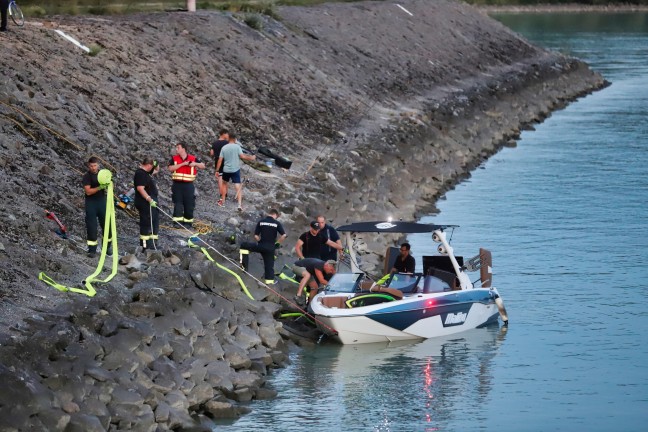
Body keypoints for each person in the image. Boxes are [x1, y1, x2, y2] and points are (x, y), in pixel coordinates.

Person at [240, 209, 287, 285]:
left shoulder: (261, 222)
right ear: (275, 215)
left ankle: (243, 268)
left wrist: (260, 242)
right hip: (270, 248)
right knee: (269, 266)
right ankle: (269, 283)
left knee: (244, 246)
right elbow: (284, 235)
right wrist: (277, 244)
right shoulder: (277, 223)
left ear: (269, 214)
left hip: (261, 245)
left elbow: (256, 236)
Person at [168, 143, 205, 227]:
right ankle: (177, 222)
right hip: (177, 185)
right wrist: (182, 164)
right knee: (178, 203)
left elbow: (203, 166)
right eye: (176, 148)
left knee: (189, 203)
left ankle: (188, 223)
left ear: (183, 149)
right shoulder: (174, 158)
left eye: (178, 148)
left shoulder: (193, 158)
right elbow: (170, 168)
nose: (176, 149)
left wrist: (195, 164)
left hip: (188, 185)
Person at [216, 133, 255, 211]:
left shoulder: (224, 147)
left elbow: (220, 160)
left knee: (224, 184)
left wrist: (217, 170)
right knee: (237, 186)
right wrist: (251, 158)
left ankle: (223, 201)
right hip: (235, 170)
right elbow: (242, 156)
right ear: (234, 139)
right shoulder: (237, 147)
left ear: (229, 139)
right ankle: (239, 205)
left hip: (226, 169)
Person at [82, 157, 108, 258]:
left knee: (106, 225)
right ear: (89, 166)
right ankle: (92, 250)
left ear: (98, 165)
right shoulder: (87, 177)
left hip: (102, 202)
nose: (93, 168)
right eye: (91, 166)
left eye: (95, 165)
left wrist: (109, 183)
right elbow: (88, 191)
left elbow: (111, 183)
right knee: (92, 227)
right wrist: (100, 187)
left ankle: (107, 247)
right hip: (91, 204)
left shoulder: (103, 174)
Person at [134, 158, 160, 251]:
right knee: (146, 225)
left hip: (151, 202)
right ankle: (144, 246)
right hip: (145, 203)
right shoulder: (140, 173)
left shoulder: (147, 173)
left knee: (154, 222)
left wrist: (156, 164)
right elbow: (140, 188)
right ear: (148, 165)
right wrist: (149, 199)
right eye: (151, 166)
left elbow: (157, 170)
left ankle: (153, 244)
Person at [209, 129, 229, 205]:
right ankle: (225, 193)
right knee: (226, 177)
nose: (227, 135)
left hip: (217, 161)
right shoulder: (227, 143)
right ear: (223, 134)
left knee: (220, 177)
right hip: (226, 160)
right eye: (227, 134)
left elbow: (211, 153)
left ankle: (222, 194)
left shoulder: (215, 143)